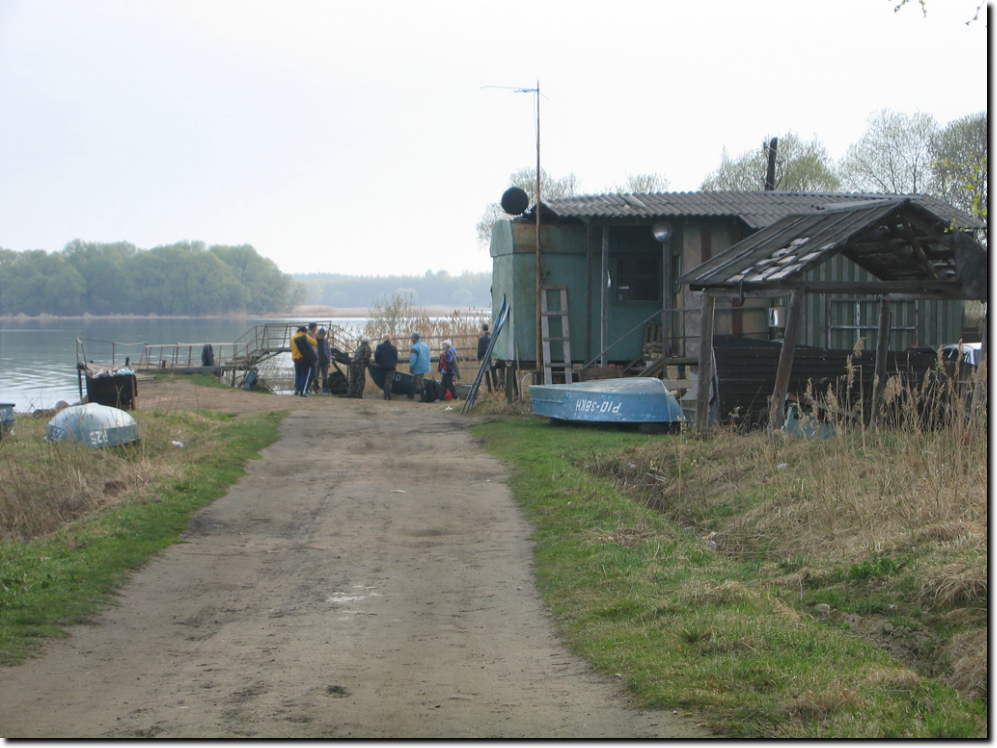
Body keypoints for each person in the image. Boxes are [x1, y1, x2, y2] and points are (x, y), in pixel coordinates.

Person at [291, 325, 317, 396]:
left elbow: (292, 348)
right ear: (304, 331)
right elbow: (314, 343)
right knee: (304, 375)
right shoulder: (305, 336)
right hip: (304, 358)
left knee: (297, 374)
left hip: (296, 359)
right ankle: (302, 392)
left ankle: (296, 390)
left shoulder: (293, 337)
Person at [374, 334, 399, 400]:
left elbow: (376, 354)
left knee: (384, 380)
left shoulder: (379, 346)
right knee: (389, 380)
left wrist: (377, 362)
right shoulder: (394, 347)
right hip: (391, 367)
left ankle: (386, 395)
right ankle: (387, 395)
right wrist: (394, 364)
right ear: (389, 340)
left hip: (382, 366)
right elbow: (396, 358)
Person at [408, 332, 430, 401]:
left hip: (418, 367)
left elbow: (413, 359)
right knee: (415, 380)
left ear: (415, 338)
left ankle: (423, 397)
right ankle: (411, 394)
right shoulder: (425, 346)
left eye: (412, 338)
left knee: (419, 382)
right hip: (425, 366)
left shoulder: (415, 347)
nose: (411, 339)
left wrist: (411, 367)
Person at [477, 323, 494, 392]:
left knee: (486, 372)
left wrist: (479, 359)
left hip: (486, 357)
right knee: (493, 372)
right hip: (493, 357)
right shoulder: (492, 336)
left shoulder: (482, 338)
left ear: (482, 329)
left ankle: (489, 389)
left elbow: (480, 350)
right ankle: (496, 387)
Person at [315, 328, 331, 393]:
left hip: (324, 361)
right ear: (319, 334)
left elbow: (328, 351)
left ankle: (325, 388)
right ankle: (316, 387)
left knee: (325, 375)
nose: (323, 336)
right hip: (316, 361)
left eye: (324, 335)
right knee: (315, 374)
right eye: (322, 334)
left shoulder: (325, 341)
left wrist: (329, 361)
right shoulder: (314, 341)